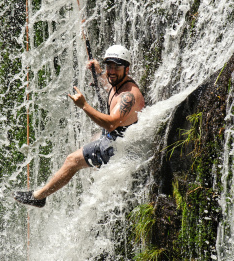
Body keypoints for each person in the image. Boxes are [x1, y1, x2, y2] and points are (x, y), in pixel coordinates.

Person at [14, 45, 145, 208]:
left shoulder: (129, 96)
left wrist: (84, 105)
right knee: (93, 139)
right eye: (109, 66)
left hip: (117, 148)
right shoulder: (119, 83)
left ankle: (39, 197)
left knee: (72, 160)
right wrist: (99, 73)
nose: (111, 71)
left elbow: (111, 124)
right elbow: (112, 90)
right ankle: (102, 181)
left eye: (116, 67)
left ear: (127, 68)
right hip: (116, 140)